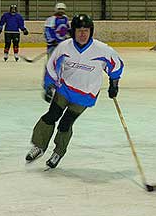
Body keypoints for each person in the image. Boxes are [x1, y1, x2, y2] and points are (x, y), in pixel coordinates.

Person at [26, 14, 124, 169]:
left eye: (86, 30)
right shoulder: (64, 47)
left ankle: (58, 151)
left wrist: (114, 84)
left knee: (65, 123)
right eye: (79, 30)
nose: (83, 34)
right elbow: (52, 65)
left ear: (91, 31)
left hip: (85, 95)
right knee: (51, 116)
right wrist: (49, 85)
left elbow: (116, 66)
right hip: (64, 90)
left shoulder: (102, 50)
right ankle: (39, 146)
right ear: (73, 31)